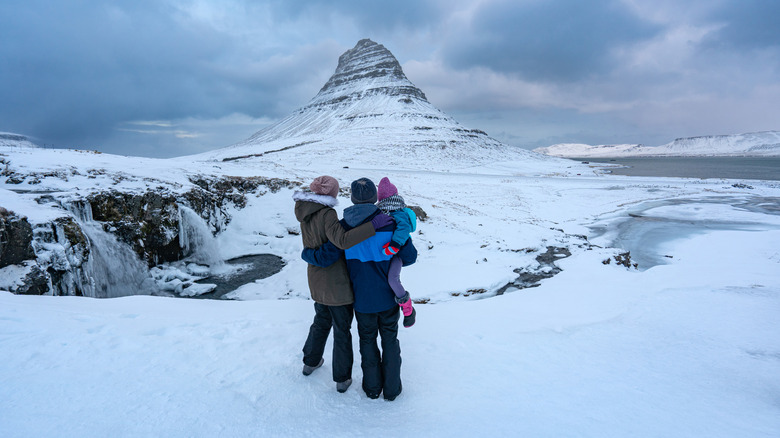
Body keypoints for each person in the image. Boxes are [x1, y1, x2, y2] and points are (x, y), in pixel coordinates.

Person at [303, 177, 417, 401]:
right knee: (390, 342)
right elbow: (410, 257)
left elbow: (327, 257)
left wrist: (307, 254)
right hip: (387, 297)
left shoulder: (344, 228)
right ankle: (392, 390)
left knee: (367, 342)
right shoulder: (390, 223)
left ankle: (372, 388)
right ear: (375, 198)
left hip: (362, 301)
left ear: (353, 199)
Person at [293, 175, 391, 394]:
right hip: (336, 282)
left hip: (316, 279)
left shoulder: (305, 211)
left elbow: (319, 243)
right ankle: (342, 378)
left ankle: (310, 362)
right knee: (341, 329)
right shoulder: (327, 213)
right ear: (331, 193)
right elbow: (342, 241)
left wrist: (309, 254)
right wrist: (373, 226)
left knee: (321, 321)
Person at [376, 177, 417, 328]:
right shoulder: (383, 211)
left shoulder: (398, 212)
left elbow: (403, 229)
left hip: (396, 254)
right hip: (387, 253)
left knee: (393, 280)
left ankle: (408, 310)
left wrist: (394, 245)